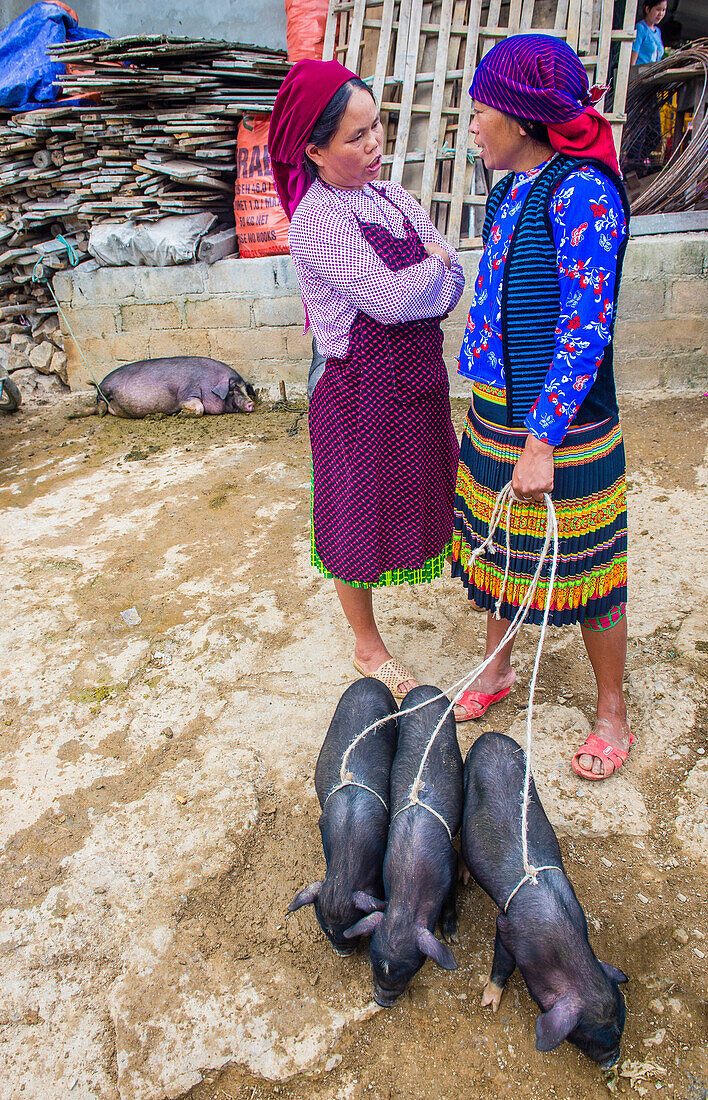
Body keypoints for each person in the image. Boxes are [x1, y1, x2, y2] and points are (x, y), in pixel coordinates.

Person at [450, 34, 633, 781]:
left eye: (481, 112)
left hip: (564, 421)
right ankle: (495, 671)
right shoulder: (506, 189)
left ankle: (612, 708)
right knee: (501, 548)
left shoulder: (583, 192)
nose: (470, 126)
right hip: (497, 409)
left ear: (522, 120)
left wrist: (541, 439)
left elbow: (586, 328)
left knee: (591, 569)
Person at [268, 60, 464, 700]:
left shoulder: (386, 195)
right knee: (354, 508)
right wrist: (434, 278)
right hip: (357, 385)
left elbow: (449, 271)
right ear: (315, 150)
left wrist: (434, 279)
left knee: (424, 487)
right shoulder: (315, 221)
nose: (375, 144)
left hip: (412, 375)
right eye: (356, 137)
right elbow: (389, 300)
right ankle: (366, 644)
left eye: (376, 126)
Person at [623, 1, 667, 173]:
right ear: (648, 9)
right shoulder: (640, 29)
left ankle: (636, 163)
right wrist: (631, 86)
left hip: (652, 87)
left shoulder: (658, 32)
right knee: (639, 130)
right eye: (658, 9)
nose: (661, 14)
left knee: (655, 132)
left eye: (663, 10)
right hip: (640, 85)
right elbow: (632, 61)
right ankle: (632, 167)